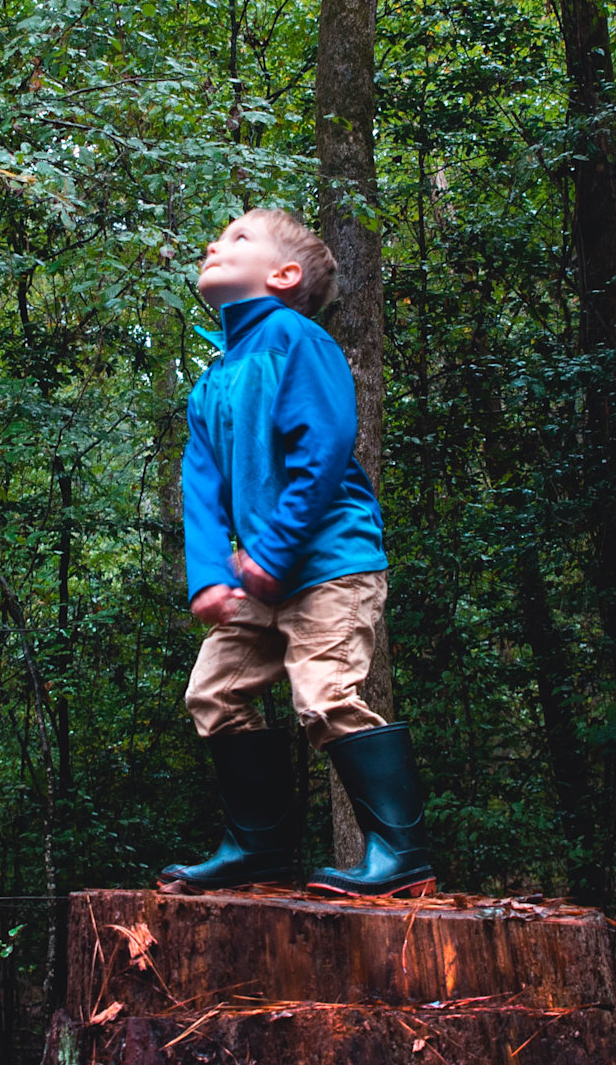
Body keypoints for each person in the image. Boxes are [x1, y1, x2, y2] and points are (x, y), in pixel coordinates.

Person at [157, 206, 432, 898]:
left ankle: (403, 854)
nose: (215, 243)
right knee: (213, 694)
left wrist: (273, 551)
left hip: (329, 562)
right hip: (259, 576)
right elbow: (200, 484)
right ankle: (259, 849)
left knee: (325, 696)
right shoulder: (215, 377)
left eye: (238, 237)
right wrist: (209, 576)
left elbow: (324, 448)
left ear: (282, 276)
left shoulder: (297, 340)